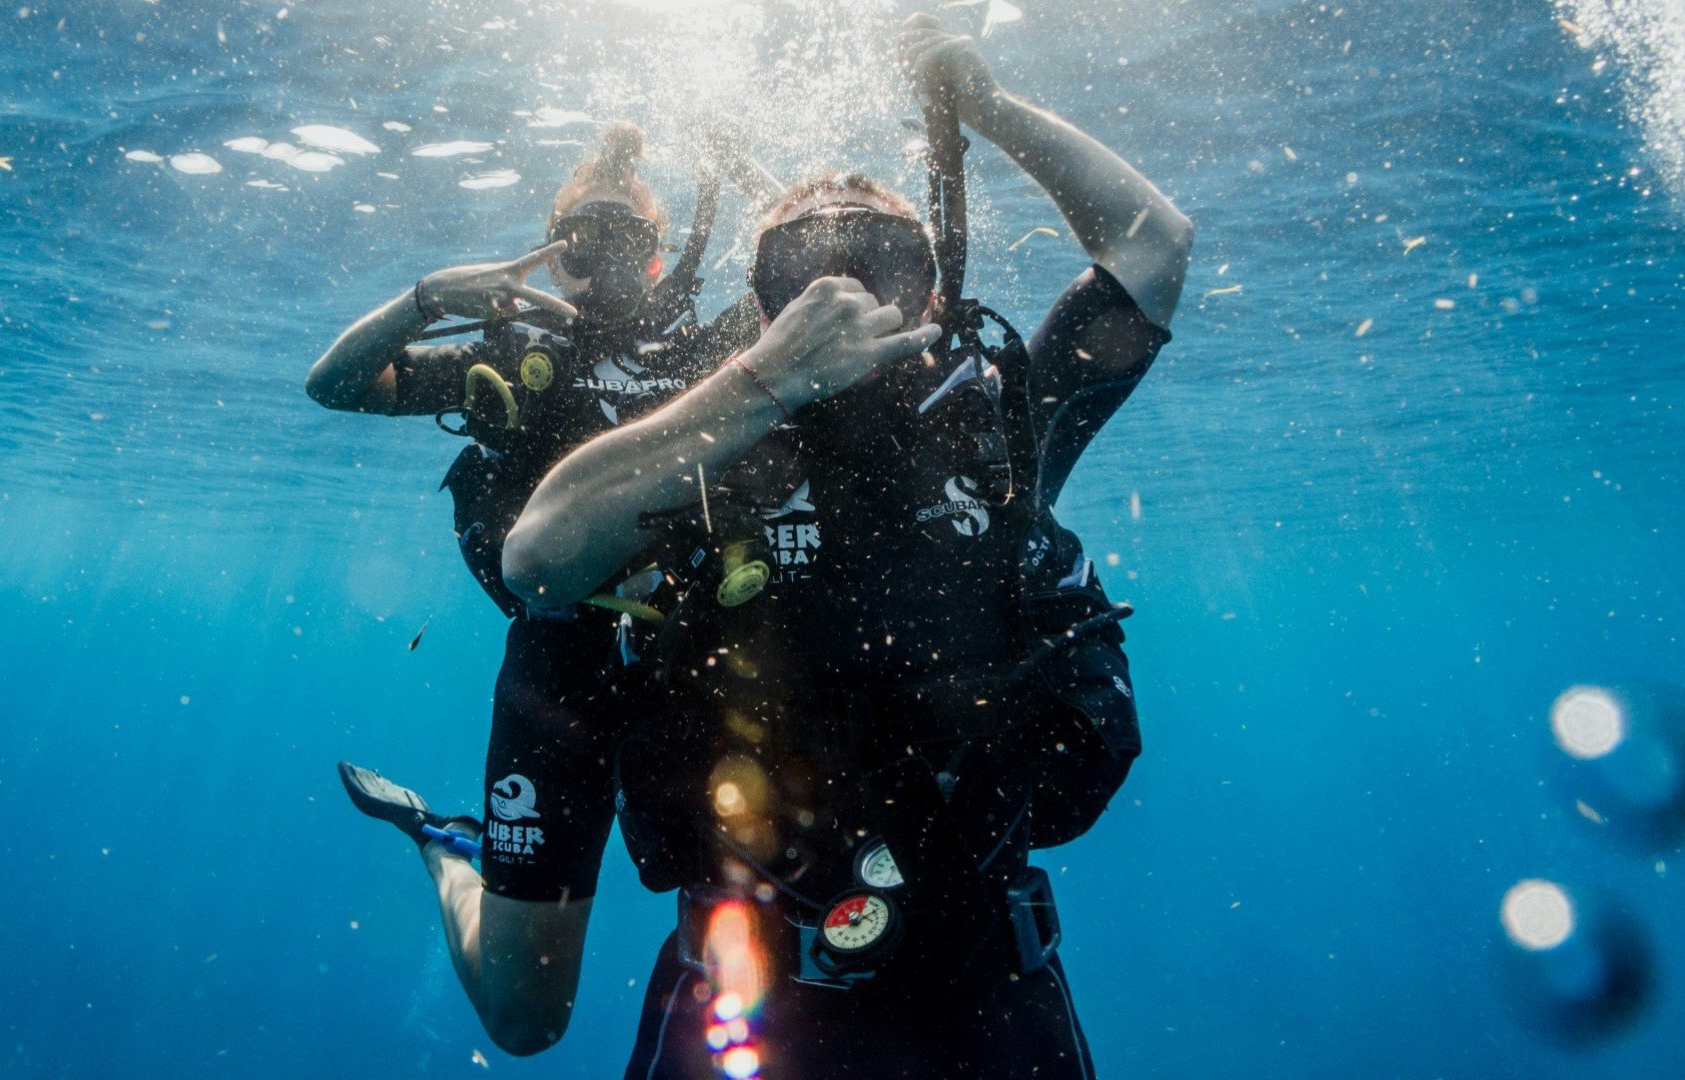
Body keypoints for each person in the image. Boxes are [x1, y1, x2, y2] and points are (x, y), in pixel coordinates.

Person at [501, 14, 1193, 1079]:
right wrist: (763, 382)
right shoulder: (704, 435)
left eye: (884, 257)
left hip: (989, 998)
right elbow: (537, 558)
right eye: (809, 264)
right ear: (764, 299)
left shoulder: (993, 426)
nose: (850, 289)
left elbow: (1154, 245)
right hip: (740, 1000)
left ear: (933, 285)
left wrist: (994, 111)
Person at [307, 123, 763, 1055]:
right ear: (551, 262)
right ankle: (450, 846)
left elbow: (828, 279)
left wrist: (747, 166)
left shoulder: (718, 355)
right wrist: (428, 299)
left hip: (703, 669)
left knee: (758, 928)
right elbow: (336, 384)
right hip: (558, 682)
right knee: (523, 1022)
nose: (602, 262)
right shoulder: (509, 363)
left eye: (625, 242)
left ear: (659, 260)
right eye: (579, 244)